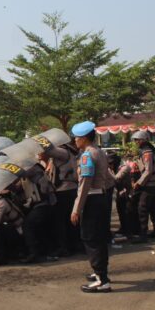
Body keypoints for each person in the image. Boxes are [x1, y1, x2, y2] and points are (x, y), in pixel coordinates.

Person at [70, 121, 111, 293]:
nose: (75, 141)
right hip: (101, 197)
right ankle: (99, 272)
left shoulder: (87, 155)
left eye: (76, 138)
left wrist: (76, 209)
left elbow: (84, 184)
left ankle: (102, 280)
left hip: (91, 200)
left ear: (85, 138)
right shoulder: (99, 151)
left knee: (91, 239)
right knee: (99, 238)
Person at [42, 141, 80, 256]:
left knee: (61, 221)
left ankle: (64, 247)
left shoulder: (63, 151)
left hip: (64, 190)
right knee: (69, 220)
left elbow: (49, 151)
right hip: (69, 189)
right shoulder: (70, 152)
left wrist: (41, 142)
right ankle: (73, 245)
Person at [19, 162, 58, 263]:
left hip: (44, 204)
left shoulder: (32, 168)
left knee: (28, 225)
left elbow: (23, 174)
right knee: (41, 229)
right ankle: (44, 253)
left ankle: (34, 253)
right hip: (42, 204)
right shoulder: (30, 168)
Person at [131, 130, 155, 242]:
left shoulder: (147, 152)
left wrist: (139, 183)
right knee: (152, 207)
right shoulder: (144, 151)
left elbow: (148, 171)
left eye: (137, 140)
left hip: (149, 184)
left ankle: (143, 234)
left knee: (142, 208)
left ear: (144, 140)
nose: (136, 142)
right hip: (149, 183)